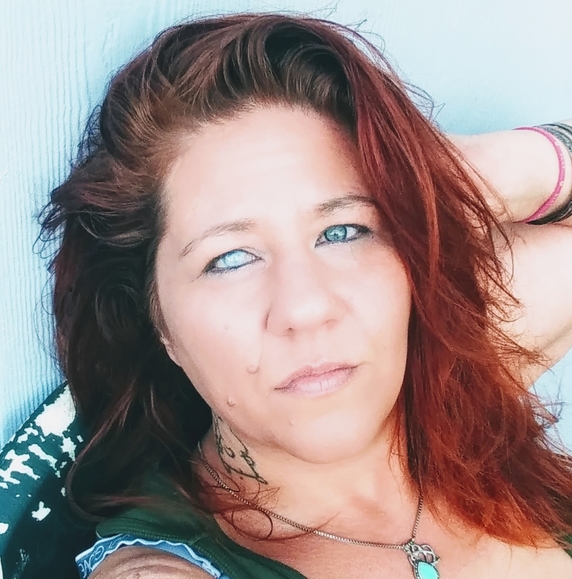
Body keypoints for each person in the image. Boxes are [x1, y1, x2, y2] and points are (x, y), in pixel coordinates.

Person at [39, 12, 572, 579]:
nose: (306, 308)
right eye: (229, 259)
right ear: (158, 319)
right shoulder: (161, 567)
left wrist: (439, 181)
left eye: (342, 232)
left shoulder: (452, 390)